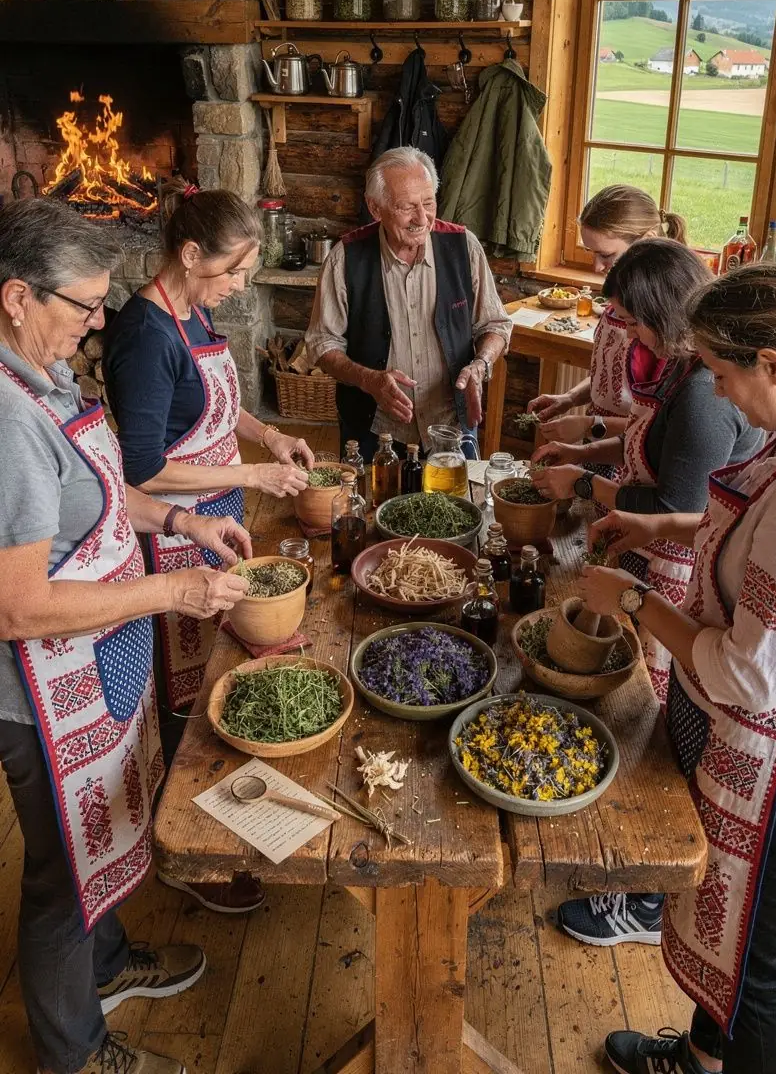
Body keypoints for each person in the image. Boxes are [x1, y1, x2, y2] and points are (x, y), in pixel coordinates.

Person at [0, 197, 250, 1074]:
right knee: (61, 873)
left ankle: (106, 966)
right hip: (35, 692)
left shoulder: (46, 375)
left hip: (90, 661)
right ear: (18, 297)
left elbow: (108, 493)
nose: (100, 321)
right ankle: (74, 1053)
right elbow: (17, 607)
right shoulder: (8, 422)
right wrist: (171, 589)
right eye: (84, 304)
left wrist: (182, 521)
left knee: (94, 836)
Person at [577, 265, 776, 1074]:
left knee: (757, 965)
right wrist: (662, 529)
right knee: (731, 939)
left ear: (773, 366)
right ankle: (701, 1058)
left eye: (721, 373)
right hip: (752, 748)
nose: (716, 392)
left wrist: (635, 602)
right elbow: (738, 536)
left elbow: (753, 676)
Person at [534, 240, 762, 952]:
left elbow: (675, 502)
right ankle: (625, 849)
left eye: (632, 319)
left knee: (650, 718)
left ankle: (644, 887)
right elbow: (643, 446)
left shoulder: (700, 396)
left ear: (663, 314)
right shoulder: (684, 372)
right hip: (645, 553)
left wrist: (580, 484)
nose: (624, 331)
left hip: (672, 573)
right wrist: (586, 451)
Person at [104, 182, 315, 914]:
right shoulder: (146, 336)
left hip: (214, 514)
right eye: (232, 271)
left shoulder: (191, 310)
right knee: (185, 691)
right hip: (169, 532)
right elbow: (141, 469)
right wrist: (252, 474)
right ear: (190, 254)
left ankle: (221, 820)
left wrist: (269, 436)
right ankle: (185, 849)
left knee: (221, 664)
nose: (238, 286)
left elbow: (221, 409)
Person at [305, 147, 512, 462]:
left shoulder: (463, 247)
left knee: (457, 495)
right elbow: (322, 343)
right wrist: (368, 379)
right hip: (374, 430)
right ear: (375, 208)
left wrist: (480, 364)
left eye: (428, 203)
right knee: (369, 495)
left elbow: (495, 325)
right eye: (407, 207)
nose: (422, 218)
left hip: (450, 426)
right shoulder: (345, 258)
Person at [527, 185, 687, 449]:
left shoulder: (659, 325)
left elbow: (659, 425)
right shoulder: (618, 304)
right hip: (599, 443)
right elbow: (609, 376)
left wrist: (591, 425)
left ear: (647, 239)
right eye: (591, 253)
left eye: (606, 255)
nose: (597, 266)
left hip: (631, 451)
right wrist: (570, 398)